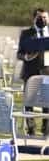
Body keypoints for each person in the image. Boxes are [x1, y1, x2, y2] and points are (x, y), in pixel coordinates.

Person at [17, 8, 49, 136]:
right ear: (34, 19)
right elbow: (19, 53)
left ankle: (46, 130)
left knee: (47, 102)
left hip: (47, 72)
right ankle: (30, 130)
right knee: (29, 103)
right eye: (40, 17)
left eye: (45, 17)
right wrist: (26, 57)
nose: (43, 20)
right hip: (30, 73)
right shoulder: (26, 34)